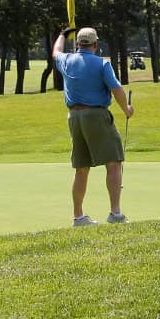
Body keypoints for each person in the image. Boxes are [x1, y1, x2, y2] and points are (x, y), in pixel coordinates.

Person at [53, 26, 135, 226]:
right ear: (96, 45)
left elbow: (55, 52)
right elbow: (116, 89)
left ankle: (78, 217)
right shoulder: (102, 64)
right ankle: (115, 213)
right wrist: (126, 109)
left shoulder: (66, 60)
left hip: (74, 117)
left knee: (82, 168)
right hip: (96, 115)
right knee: (114, 161)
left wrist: (62, 35)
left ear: (78, 44)